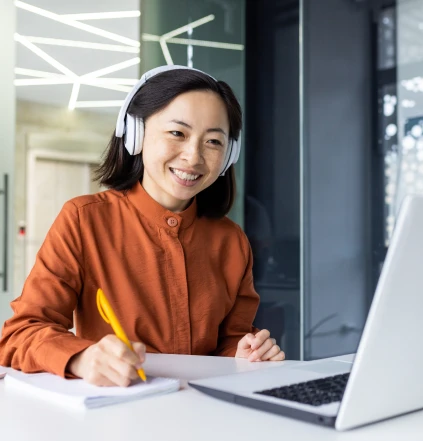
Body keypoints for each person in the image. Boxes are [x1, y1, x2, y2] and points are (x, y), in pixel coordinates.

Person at [0, 65, 284, 387]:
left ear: (229, 154)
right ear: (136, 133)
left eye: (214, 142)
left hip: (205, 416)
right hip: (118, 414)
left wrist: (245, 353)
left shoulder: (232, 242)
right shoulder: (83, 220)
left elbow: (230, 340)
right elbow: (20, 334)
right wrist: (81, 358)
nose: (193, 157)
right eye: (177, 133)